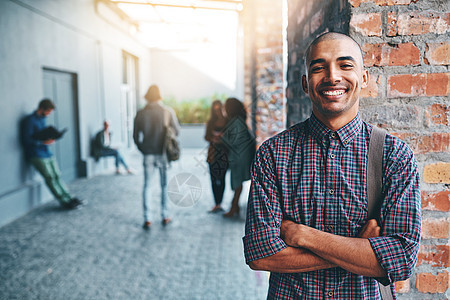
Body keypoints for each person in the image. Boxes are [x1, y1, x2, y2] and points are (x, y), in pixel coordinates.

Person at [243, 32, 421, 299]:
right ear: (306, 83)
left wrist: (302, 235)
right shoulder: (273, 153)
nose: (332, 76)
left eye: (345, 65)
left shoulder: (394, 156)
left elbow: (400, 260)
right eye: (319, 67)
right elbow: (261, 254)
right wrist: (360, 248)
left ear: (363, 78)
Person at [21, 99, 84, 209]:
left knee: (57, 175)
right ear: (42, 109)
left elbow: (42, 134)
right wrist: (42, 142)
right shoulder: (30, 121)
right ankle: (64, 201)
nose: (49, 114)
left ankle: (70, 197)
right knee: (50, 177)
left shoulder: (42, 119)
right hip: (36, 154)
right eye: (49, 111)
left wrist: (51, 138)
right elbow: (26, 140)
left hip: (46, 152)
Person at [133, 85, 180, 228]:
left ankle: (147, 218)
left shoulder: (141, 113)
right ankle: (165, 215)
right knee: (164, 185)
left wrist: (143, 148)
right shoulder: (167, 112)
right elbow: (176, 132)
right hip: (163, 154)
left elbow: (135, 136)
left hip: (148, 153)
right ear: (160, 96)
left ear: (147, 96)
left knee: (147, 185)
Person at [221, 97, 255, 218]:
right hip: (242, 155)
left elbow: (229, 140)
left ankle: (234, 206)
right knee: (238, 182)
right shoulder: (240, 120)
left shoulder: (235, 122)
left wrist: (220, 137)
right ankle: (234, 206)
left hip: (238, 157)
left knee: (237, 182)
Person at [205, 100, 229, 213]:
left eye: (219, 109)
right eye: (215, 110)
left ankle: (220, 202)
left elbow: (231, 137)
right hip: (213, 153)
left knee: (222, 178)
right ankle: (216, 203)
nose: (217, 112)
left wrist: (223, 138)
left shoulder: (228, 121)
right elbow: (206, 136)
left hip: (224, 153)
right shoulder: (210, 122)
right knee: (214, 179)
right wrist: (213, 138)